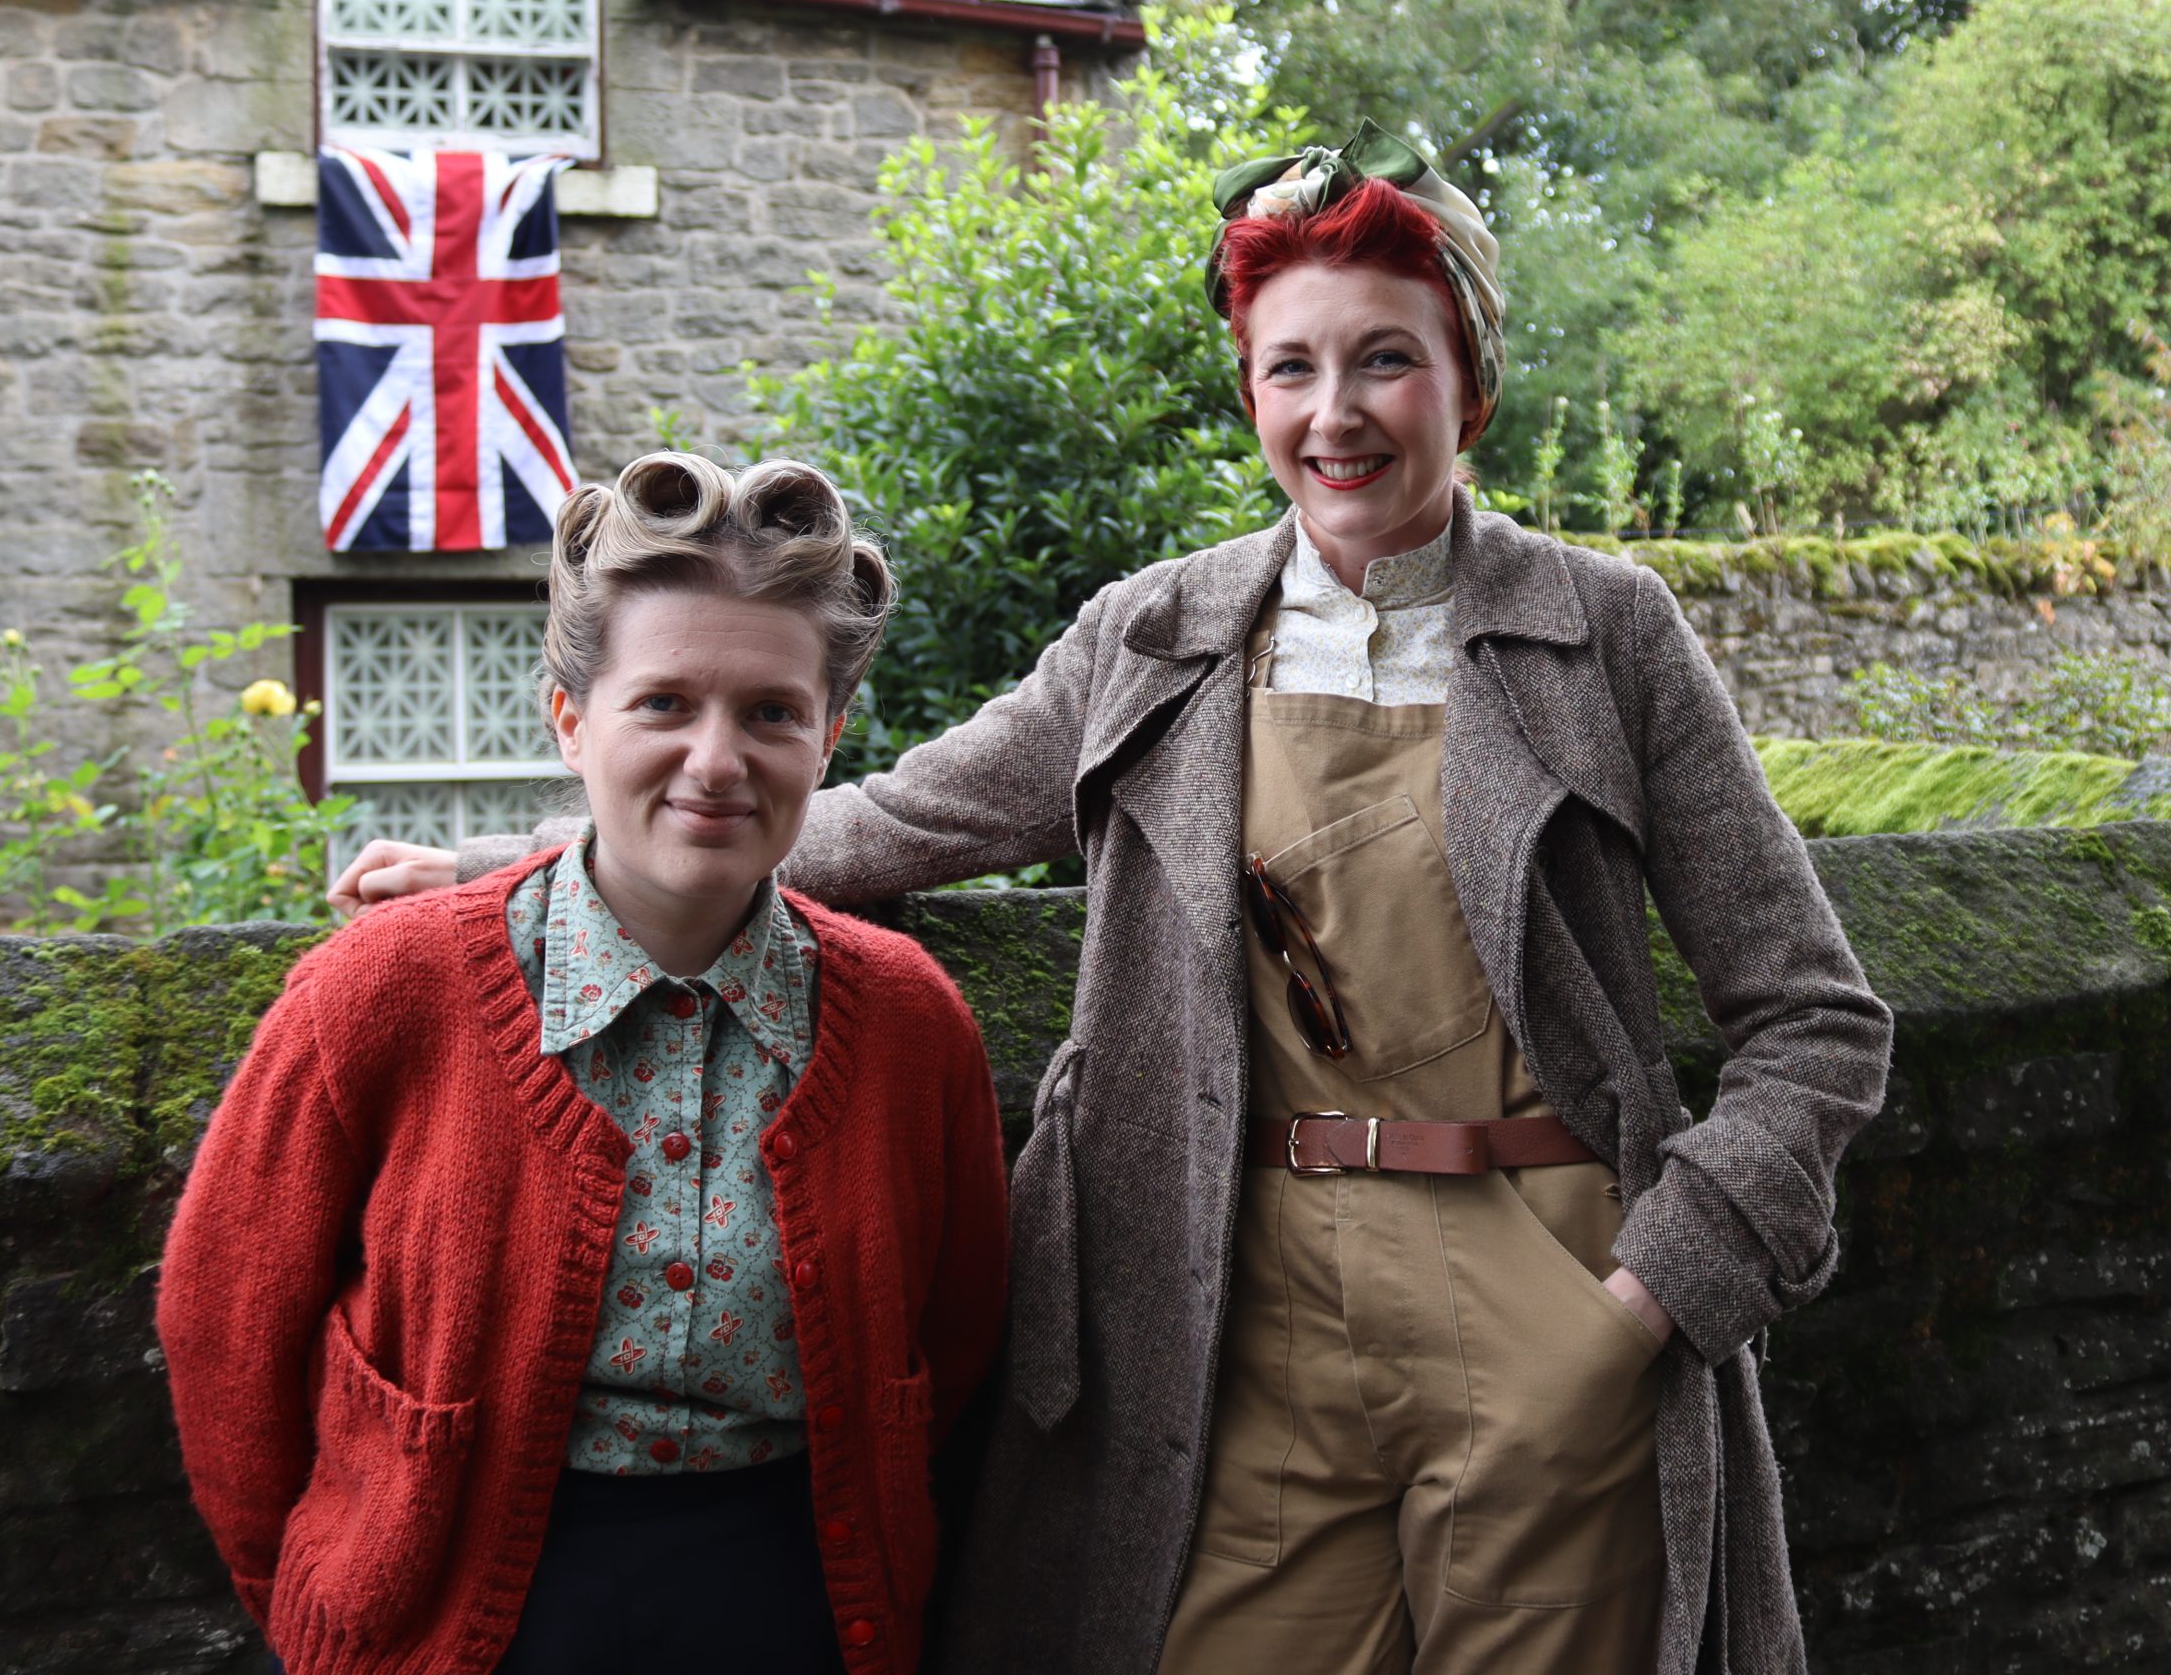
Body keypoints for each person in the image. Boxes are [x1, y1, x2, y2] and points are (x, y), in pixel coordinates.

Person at [338, 123, 1895, 1675]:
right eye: (1290, 369)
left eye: (1385, 363)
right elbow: (882, 823)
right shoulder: (1154, 636)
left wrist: (1644, 1306)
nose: (1334, 413)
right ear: (1250, 394)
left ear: (1467, 384)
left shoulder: (1610, 634)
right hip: (1239, 1303)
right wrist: (523, 874)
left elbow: (1816, 1020)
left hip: (1552, 1280)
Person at [162, 456, 1008, 1675]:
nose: (717, 760)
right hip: (453, 1612)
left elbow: (956, 1330)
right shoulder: (382, 996)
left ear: (826, 738)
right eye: (664, 703)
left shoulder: (907, 1025)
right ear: (572, 721)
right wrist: (321, 1594)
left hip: (804, 1605)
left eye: (771, 712)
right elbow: (225, 1326)